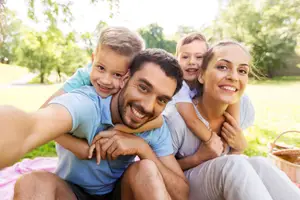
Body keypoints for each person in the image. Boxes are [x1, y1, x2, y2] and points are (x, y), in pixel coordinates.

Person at [0, 49, 189, 200]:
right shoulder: (88, 104)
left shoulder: (155, 127)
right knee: (31, 183)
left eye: (162, 100)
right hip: (72, 192)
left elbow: (181, 193)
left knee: (147, 169)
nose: (148, 106)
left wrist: (143, 149)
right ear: (125, 79)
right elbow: (32, 126)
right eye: (143, 88)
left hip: (118, 192)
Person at [164, 40, 300, 200]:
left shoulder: (242, 107)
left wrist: (240, 146)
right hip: (184, 187)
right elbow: (159, 170)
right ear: (201, 75)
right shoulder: (177, 118)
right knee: (234, 164)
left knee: (259, 163)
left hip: (222, 180)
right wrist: (198, 158)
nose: (234, 77)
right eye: (222, 67)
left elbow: (233, 154)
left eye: (242, 70)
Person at [40, 27, 163, 163]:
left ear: (131, 75)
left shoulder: (131, 89)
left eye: (117, 74)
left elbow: (158, 121)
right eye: (101, 68)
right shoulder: (83, 77)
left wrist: (119, 130)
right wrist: (76, 146)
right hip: (72, 162)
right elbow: (42, 115)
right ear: (93, 59)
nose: (105, 80)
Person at [170, 33, 247, 160]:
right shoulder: (179, 86)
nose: (191, 62)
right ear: (176, 60)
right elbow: (192, 120)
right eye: (185, 57)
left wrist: (233, 135)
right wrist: (212, 139)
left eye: (199, 57)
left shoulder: (211, 85)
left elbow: (232, 99)